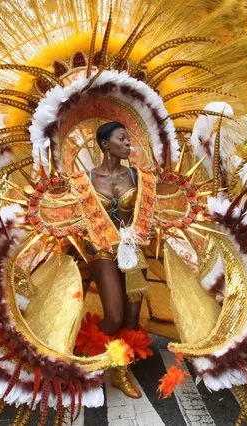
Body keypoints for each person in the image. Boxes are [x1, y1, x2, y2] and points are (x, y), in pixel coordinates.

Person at [85, 121, 144, 398]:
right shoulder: (86, 179)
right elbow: (75, 218)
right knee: (115, 316)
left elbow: (149, 211)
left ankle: (120, 371)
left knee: (131, 318)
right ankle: (87, 358)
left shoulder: (136, 176)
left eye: (128, 139)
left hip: (131, 249)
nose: (128, 143)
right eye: (122, 138)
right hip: (102, 250)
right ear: (106, 144)